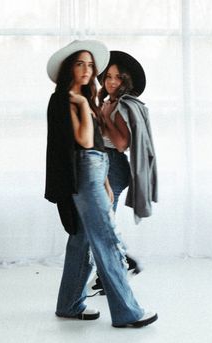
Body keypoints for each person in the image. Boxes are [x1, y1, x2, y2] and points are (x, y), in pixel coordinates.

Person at [44, 40, 158, 328]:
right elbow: (84, 142)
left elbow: (104, 145)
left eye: (90, 64)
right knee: (105, 239)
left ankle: (69, 303)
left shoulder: (91, 99)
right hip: (87, 168)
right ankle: (127, 313)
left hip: (98, 168)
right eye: (80, 63)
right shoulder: (70, 98)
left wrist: (105, 179)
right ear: (70, 67)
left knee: (84, 239)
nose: (87, 70)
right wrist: (86, 106)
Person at [87, 50, 158, 296]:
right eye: (108, 77)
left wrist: (105, 117)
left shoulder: (121, 105)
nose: (112, 81)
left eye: (118, 77)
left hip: (114, 166)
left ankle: (122, 265)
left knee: (104, 222)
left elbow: (121, 144)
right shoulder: (107, 101)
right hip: (103, 165)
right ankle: (109, 273)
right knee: (103, 221)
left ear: (126, 80)